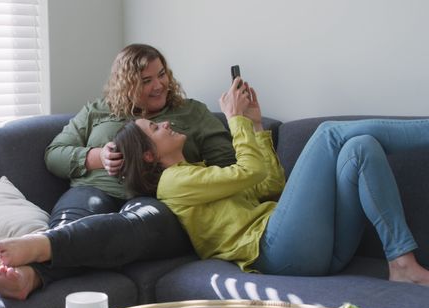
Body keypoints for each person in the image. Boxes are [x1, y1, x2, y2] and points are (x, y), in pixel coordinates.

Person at [112, 77, 429, 285]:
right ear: (149, 156)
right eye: (154, 130)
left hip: (319, 252)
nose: (164, 123)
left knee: (361, 148)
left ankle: (401, 262)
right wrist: (235, 120)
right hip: (279, 254)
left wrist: (257, 125)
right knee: (328, 134)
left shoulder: (198, 170)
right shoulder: (173, 183)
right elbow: (251, 172)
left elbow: (270, 186)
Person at [0, 43, 238, 299]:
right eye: (146, 80)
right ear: (126, 84)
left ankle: (39, 260)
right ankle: (31, 274)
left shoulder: (192, 112)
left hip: (160, 200)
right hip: (93, 190)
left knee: (139, 224)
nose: (159, 85)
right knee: (74, 221)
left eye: (162, 74)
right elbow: (54, 154)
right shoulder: (98, 111)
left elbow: (227, 164)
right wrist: (97, 157)